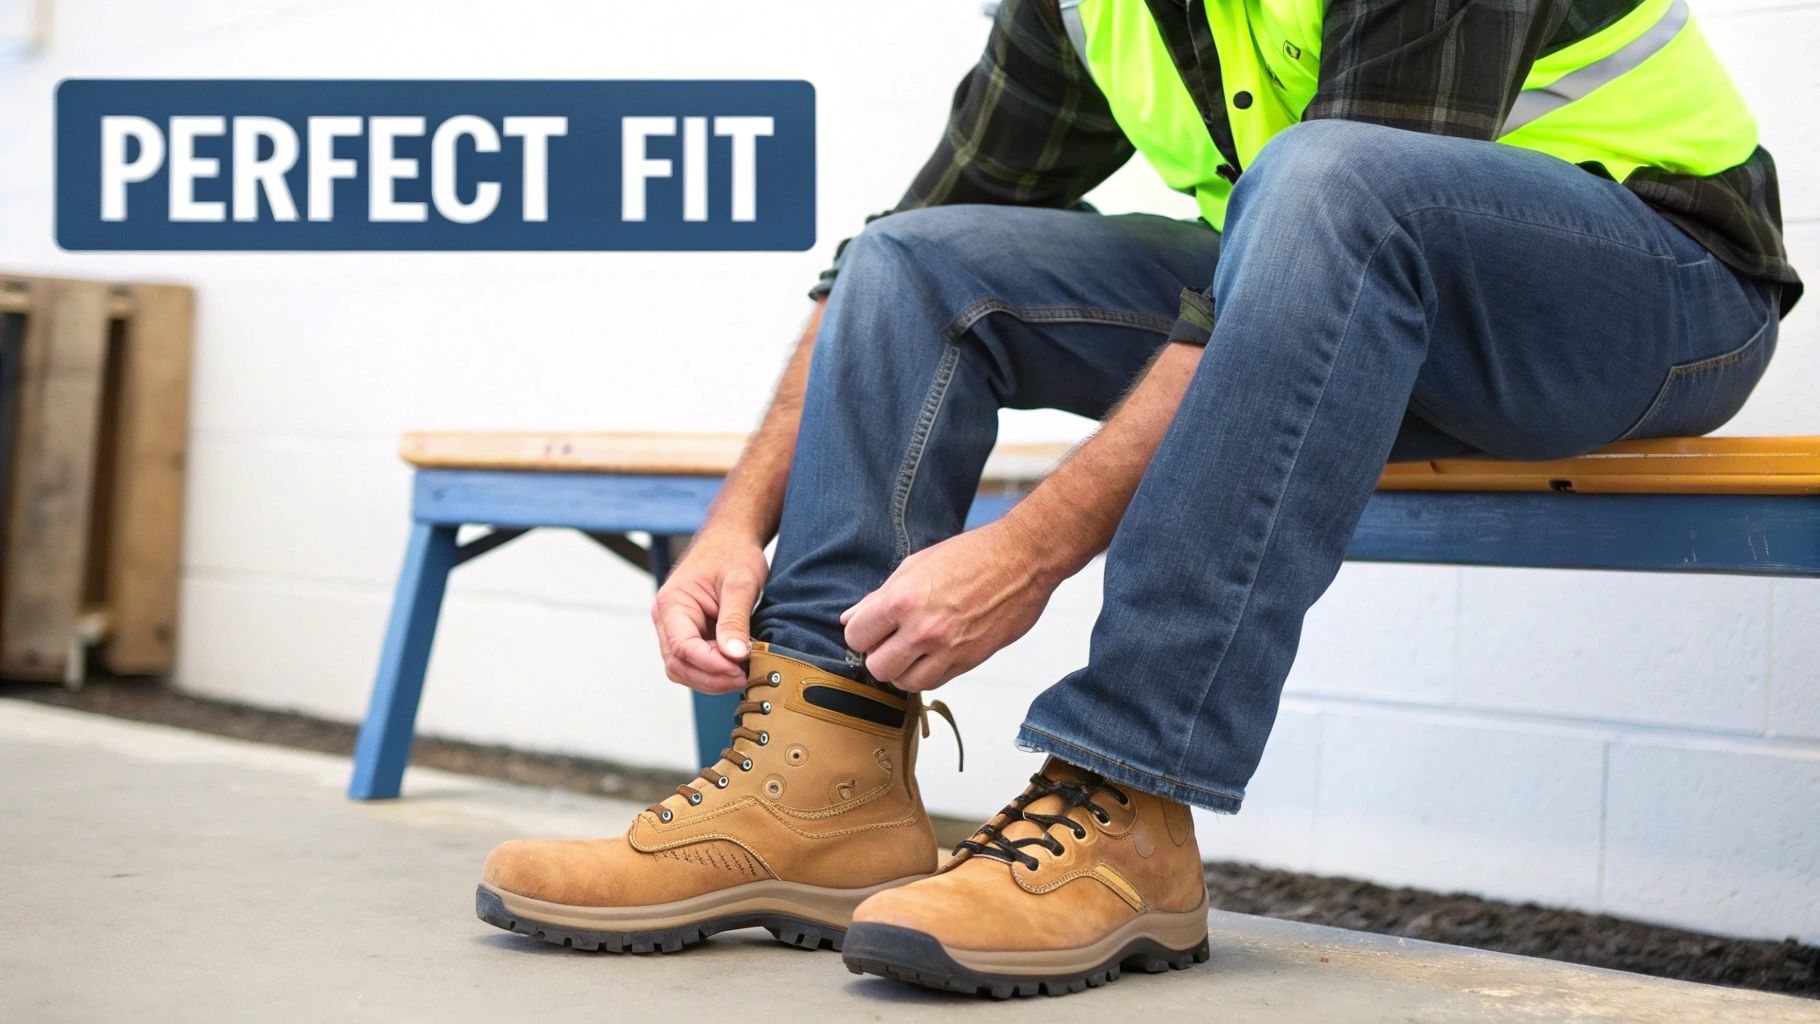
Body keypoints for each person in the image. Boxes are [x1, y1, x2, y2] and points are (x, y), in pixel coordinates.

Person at [475, 0, 1799, 997]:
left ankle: (1124, 809)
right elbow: (949, 206)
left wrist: (1032, 545)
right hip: (1340, 283)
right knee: (912, 262)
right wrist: (731, 518)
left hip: (1648, 292)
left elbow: (1356, 191)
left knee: (1332, 180)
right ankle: (818, 783)